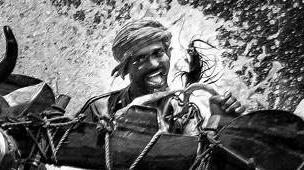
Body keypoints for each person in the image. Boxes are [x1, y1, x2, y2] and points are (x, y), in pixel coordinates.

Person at [81, 18, 245, 132]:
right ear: (125, 69)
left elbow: (198, 162)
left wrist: (220, 121)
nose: (153, 64)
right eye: (140, 59)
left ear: (169, 54)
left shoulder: (185, 114)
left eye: (158, 53)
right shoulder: (99, 109)